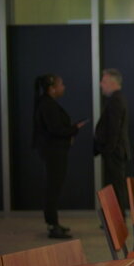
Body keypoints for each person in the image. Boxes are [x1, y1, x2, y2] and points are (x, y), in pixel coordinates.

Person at [33, 74, 88, 239]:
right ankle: (52, 224)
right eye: (61, 84)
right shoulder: (47, 105)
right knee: (53, 187)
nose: (64, 87)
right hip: (54, 152)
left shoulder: (46, 104)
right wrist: (74, 129)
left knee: (54, 187)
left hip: (55, 151)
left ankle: (54, 222)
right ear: (52, 88)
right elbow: (56, 130)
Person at [94, 68, 130, 212]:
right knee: (115, 186)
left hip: (114, 152)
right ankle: (115, 219)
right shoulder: (117, 99)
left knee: (116, 187)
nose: (101, 84)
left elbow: (114, 129)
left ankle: (117, 220)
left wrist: (107, 150)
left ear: (112, 83)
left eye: (103, 81)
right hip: (115, 151)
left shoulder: (115, 101)